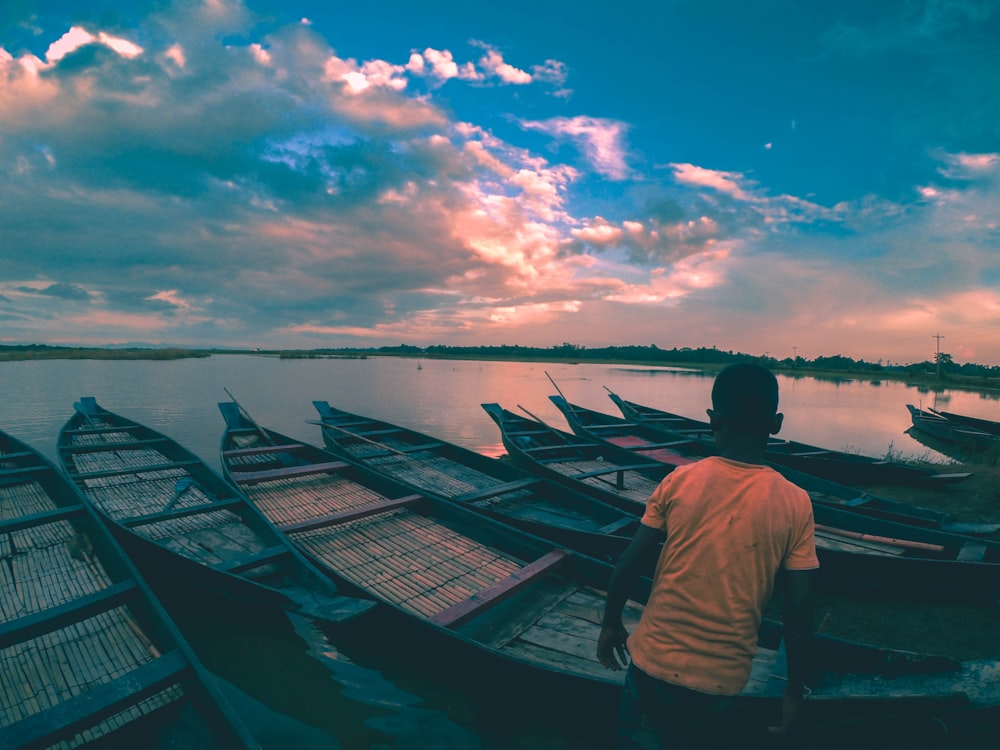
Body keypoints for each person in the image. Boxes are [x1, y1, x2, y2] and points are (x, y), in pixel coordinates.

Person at [597, 363, 819, 749]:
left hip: (652, 664)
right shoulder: (796, 502)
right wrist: (793, 693)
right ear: (777, 424)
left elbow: (631, 560)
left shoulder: (679, 481)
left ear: (713, 420)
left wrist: (611, 622)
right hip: (721, 682)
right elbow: (799, 611)